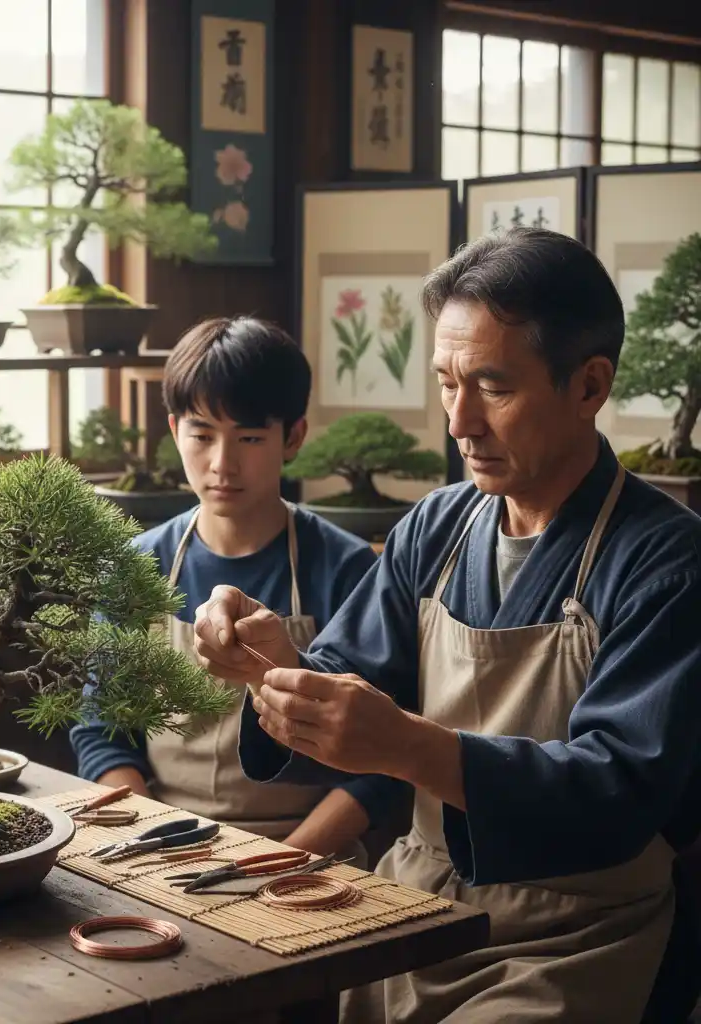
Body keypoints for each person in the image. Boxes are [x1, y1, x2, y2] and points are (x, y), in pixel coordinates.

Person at [193, 230, 701, 1023]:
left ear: (590, 385)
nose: (460, 422)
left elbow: (618, 790)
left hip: (578, 934)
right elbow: (342, 681)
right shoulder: (436, 527)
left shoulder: (666, 560)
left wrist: (407, 746)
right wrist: (272, 663)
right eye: (445, 383)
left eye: (492, 386)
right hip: (415, 904)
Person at [70, 316, 398, 856]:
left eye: (248, 437)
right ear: (175, 432)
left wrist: (285, 860)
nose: (222, 464)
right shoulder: (137, 565)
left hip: (309, 854)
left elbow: (381, 758)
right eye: (202, 435)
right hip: (157, 838)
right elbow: (102, 730)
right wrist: (152, 841)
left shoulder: (346, 567)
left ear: (292, 437)